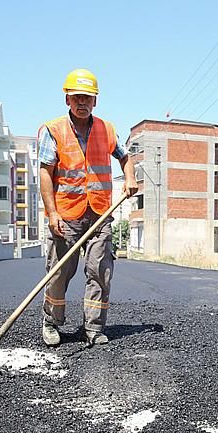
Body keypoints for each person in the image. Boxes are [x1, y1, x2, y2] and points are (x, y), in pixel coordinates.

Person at [38, 68, 138, 346]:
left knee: (99, 271)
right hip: (65, 216)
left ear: (95, 101)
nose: (82, 103)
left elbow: (125, 157)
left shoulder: (106, 129)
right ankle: (52, 323)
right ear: (67, 99)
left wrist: (130, 177)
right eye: (77, 97)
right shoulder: (53, 130)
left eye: (88, 98)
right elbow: (45, 173)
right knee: (59, 272)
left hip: (99, 214)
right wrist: (52, 212)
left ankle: (93, 328)